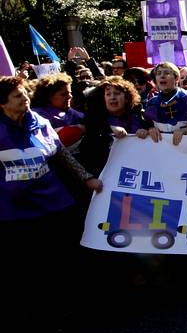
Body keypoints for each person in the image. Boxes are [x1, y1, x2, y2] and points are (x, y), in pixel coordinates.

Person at [0, 76, 102, 235]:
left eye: (25, 93)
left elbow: (60, 153)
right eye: (18, 96)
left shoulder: (40, 122)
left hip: (52, 202)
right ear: (3, 103)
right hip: (13, 210)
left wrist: (86, 178)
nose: (25, 98)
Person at [78, 77, 156, 174]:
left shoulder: (141, 116)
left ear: (127, 98)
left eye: (117, 93)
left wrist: (147, 130)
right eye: (108, 94)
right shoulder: (94, 121)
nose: (112, 97)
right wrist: (108, 128)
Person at [30, 73, 85, 147]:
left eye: (70, 93)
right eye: (64, 94)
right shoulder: (36, 117)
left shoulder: (71, 112)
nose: (70, 96)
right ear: (48, 96)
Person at [144, 62, 187, 134]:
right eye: (159, 73)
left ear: (176, 78)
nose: (162, 76)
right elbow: (146, 125)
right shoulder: (151, 103)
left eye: (167, 73)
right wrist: (149, 129)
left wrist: (186, 130)